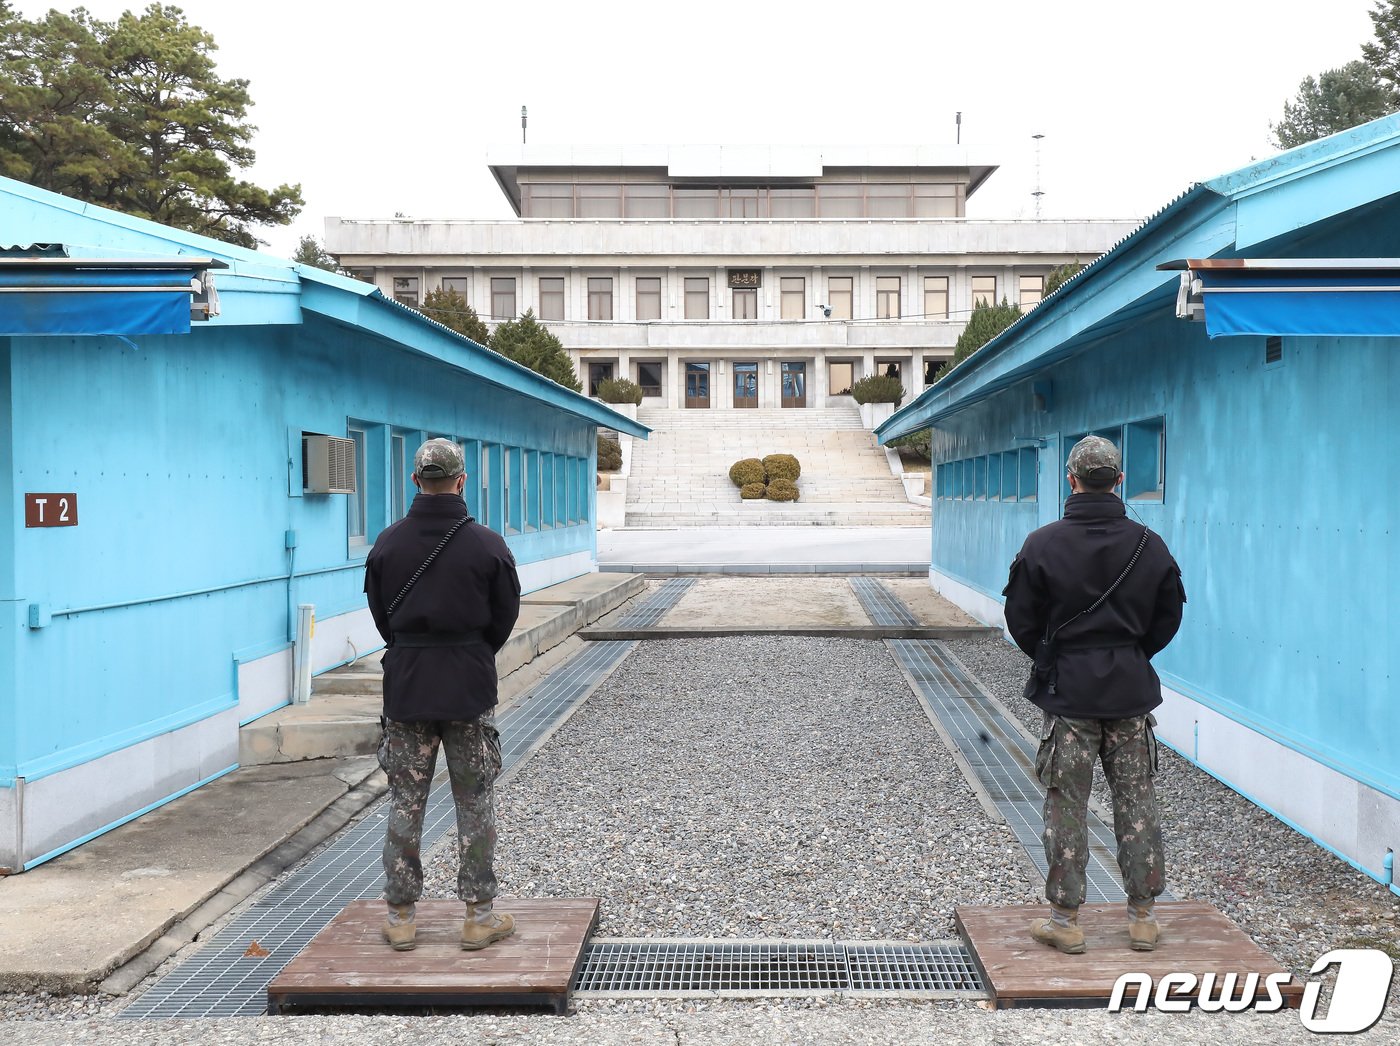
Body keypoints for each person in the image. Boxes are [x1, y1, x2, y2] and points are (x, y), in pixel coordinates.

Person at [1002, 435, 1185, 954]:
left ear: (1071, 479)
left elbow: (1021, 620)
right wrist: (1129, 655)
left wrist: (1054, 658)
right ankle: (1143, 917)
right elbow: (1167, 619)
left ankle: (1065, 921)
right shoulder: (1151, 546)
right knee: (1137, 801)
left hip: (1069, 695)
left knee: (1066, 804)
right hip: (1130, 694)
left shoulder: (1042, 544)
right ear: (1120, 480)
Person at [363, 438, 522, 951]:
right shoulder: (488, 545)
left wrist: (414, 648)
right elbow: (504, 616)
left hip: (407, 684)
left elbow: (382, 619)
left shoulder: (387, 543)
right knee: (475, 802)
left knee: (405, 802)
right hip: (468, 686)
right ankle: (478, 915)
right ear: (461, 481)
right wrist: (471, 651)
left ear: (415, 481)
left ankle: (401, 915)